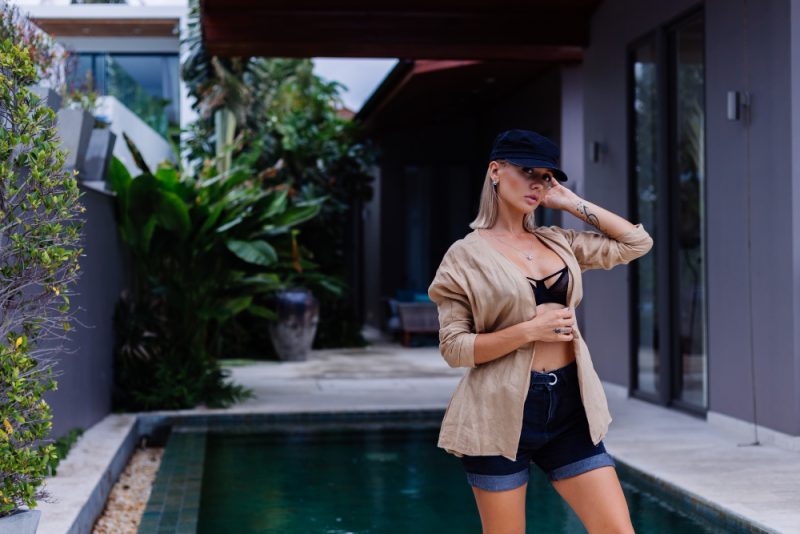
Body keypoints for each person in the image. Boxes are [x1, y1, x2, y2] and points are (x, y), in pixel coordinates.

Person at [427, 129, 654, 534]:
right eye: (527, 171)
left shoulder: (559, 241)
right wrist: (529, 330)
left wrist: (568, 201)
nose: (537, 184)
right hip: (497, 412)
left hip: (569, 406)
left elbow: (635, 242)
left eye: (546, 177)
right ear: (495, 171)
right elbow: (454, 348)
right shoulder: (464, 256)